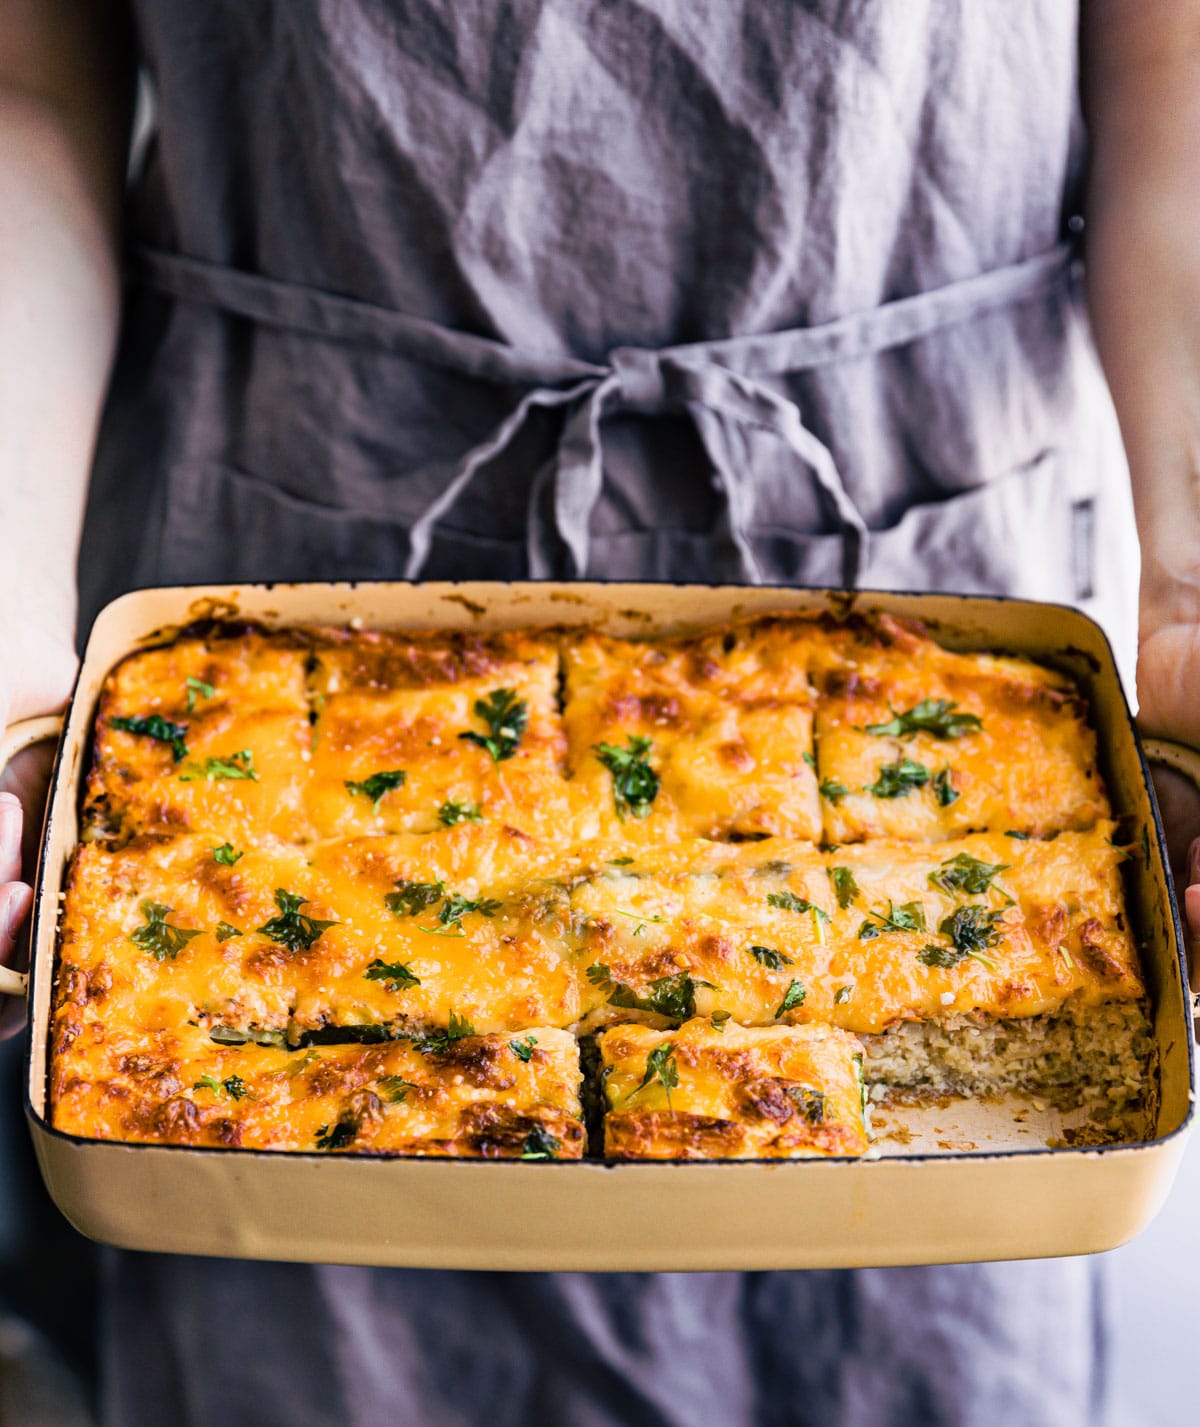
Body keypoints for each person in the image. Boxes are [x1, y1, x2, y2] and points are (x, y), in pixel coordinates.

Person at [2, 2, 1199, 1423]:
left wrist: (1192, 592)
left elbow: (1177, 62)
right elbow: (28, 87)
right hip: (294, 508)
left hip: (905, 541)